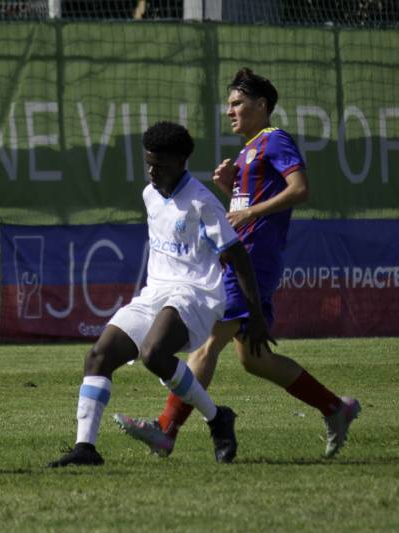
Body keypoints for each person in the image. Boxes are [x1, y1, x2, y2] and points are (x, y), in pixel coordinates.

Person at [115, 68, 360, 459]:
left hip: (254, 260)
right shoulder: (249, 150)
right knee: (254, 359)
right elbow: (243, 212)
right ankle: (336, 408)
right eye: (228, 104)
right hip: (244, 259)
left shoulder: (274, 140)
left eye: (237, 103)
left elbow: (300, 190)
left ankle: (166, 429)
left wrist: (251, 212)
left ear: (261, 106)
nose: (230, 111)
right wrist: (230, 189)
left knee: (210, 339)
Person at [47, 121, 273, 467]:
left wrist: (254, 316)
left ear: (182, 161)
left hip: (196, 296)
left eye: (161, 165)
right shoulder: (149, 194)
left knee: (154, 353)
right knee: (99, 356)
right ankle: (85, 448)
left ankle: (216, 419)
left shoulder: (201, 203)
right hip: (156, 293)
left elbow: (237, 256)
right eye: (149, 163)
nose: (153, 171)